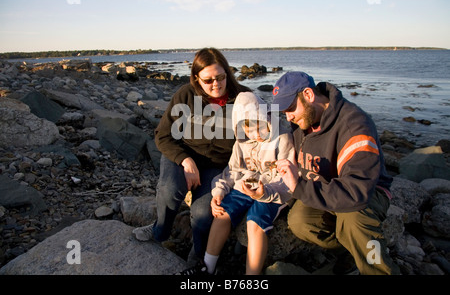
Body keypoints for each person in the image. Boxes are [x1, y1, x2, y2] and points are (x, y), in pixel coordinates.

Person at [274, 71, 401, 275]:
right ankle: (350, 252)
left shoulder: (354, 125)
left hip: (366, 192)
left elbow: (356, 192)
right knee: (300, 221)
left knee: (353, 222)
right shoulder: (302, 121)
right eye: (283, 112)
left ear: (308, 94)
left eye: (289, 108)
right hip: (325, 189)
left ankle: (378, 269)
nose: (288, 116)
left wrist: (298, 186)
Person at [132, 48, 251, 264]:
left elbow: (257, 137)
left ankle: (198, 254)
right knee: (170, 189)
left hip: (217, 167)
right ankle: (160, 231)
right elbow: (163, 135)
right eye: (208, 80)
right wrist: (185, 161)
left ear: (228, 73)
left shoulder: (243, 99)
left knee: (203, 213)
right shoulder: (186, 95)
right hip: (181, 155)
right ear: (196, 78)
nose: (216, 84)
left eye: (221, 77)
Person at [179, 92, 296, 275]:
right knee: (222, 212)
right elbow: (232, 171)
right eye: (250, 130)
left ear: (268, 119)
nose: (256, 135)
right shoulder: (241, 143)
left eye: (261, 128)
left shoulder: (282, 138)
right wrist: (219, 192)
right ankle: (208, 268)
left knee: (254, 223)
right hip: (246, 186)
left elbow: (287, 180)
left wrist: (265, 193)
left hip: (272, 190)